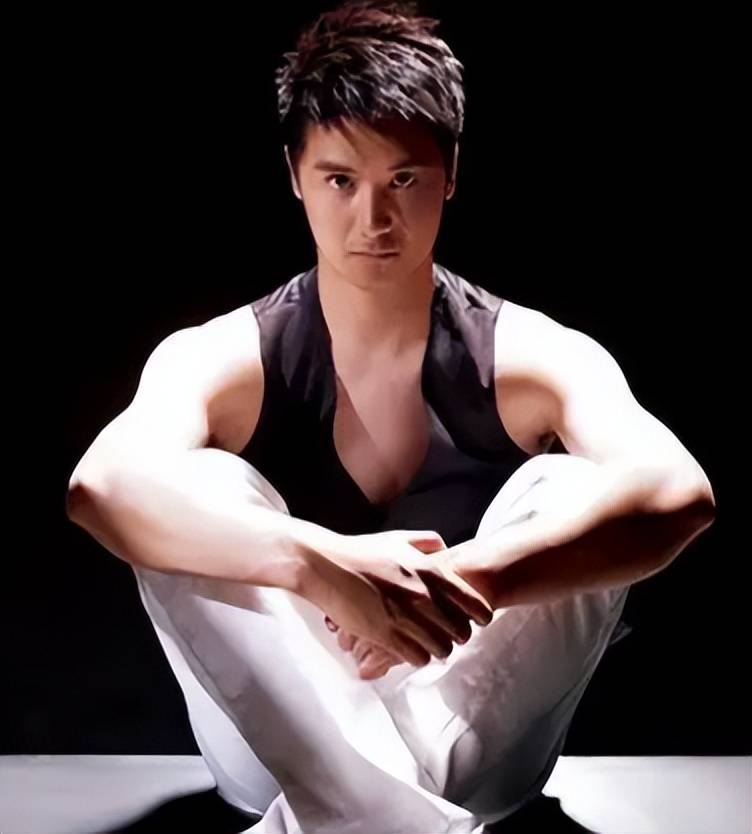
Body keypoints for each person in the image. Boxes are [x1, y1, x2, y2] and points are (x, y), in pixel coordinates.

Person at [66, 2, 716, 831]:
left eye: (404, 180)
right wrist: (321, 565)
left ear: (451, 173)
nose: (373, 220)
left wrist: (464, 582)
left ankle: (354, 813)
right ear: (295, 174)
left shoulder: (530, 355)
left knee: (569, 488)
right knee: (194, 485)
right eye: (341, 180)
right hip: (274, 754)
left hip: (475, 745)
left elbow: (679, 492)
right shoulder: (226, 357)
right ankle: (385, 812)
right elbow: (100, 487)